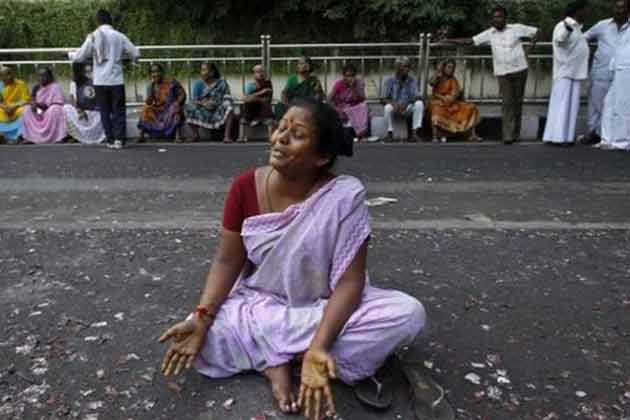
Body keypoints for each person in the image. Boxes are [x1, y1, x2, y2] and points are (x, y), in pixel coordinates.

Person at [158, 98, 426, 419]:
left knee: (408, 315)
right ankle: (290, 358)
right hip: (261, 304)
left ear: (322, 156)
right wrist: (202, 317)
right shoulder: (245, 187)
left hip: (322, 308)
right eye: (281, 127)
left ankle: (290, 356)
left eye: (296, 134)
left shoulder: (344, 197)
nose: (280, 138)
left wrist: (320, 345)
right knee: (205, 336)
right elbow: (228, 262)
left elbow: (350, 283)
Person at [449, 6, 539, 144]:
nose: (496, 20)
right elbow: (471, 41)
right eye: (494, 17)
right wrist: (449, 40)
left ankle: (515, 134)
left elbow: (536, 32)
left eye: (499, 17)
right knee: (507, 102)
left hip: (520, 69)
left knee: (517, 102)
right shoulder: (489, 33)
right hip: (502, 72)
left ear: (505, 18)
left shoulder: (516, 28)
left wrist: (529, 49)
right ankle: (507, 136)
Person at [69, 9, 140, 150]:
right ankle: (119, 140)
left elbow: (80, 56)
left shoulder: (93, 36)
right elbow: (135, 53)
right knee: (119, 110)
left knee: (105, 111)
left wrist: (70, 54)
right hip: (116, 80)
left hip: (100, 81)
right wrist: (127, 58)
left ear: (98, 21)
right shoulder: (119, 36)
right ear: (110, 21)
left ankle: (110, 140)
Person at [580, 0, 630, 144]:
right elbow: (584, 37)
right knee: (596, 103)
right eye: (616, 7)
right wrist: (587, 52)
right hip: (601, 71)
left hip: (623, 74)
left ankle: (611, 135)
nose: (618, 11)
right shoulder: (603, 25)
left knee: (618, 106)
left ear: (628, 10)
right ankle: (592, 133)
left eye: (622, 8)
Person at [543, 0, 591, 145]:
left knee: (570, 106)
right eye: (586, 10)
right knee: (562, 106)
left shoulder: (577, 27)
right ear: (578, 11)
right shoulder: (564, 25)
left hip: (574, 73)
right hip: (565, 73)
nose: (588, 13)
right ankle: (558, 138)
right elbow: (560, 39)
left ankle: (564, 137)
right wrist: (567, 29)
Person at [428, 60, 481, 143]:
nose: (451, 70)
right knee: (436, 108)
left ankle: (472, 135)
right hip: (439, 103)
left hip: (452, 104)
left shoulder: (453, 80)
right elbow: (431, 82)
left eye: (452, 68)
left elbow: (453, 95)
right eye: (449, 67)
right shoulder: (438, 77)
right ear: (444, 68)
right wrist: (438, 71)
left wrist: (446, 98)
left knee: (471, 107)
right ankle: (435, 136)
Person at [184, 62, 235, 143]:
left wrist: (216, 103)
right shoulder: (198, 84)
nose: (202, 73)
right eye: (201, 70)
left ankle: (227, 136)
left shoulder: (222, 83)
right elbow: (195, 100)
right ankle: (195, 135)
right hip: (203, 111)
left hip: (218, 110)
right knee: (188, 106)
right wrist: (204, 104)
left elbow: (227, 97)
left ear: (212, 73)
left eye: (204, 70)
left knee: (229, 106)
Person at [599, 21, 630, 150]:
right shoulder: (625, 26)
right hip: (618, 67)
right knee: (609, 103)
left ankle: (622, 142)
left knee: (623, 106)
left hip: (627, 67)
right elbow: (619, 47)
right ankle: (607, 139)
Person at [138, 63, 187, 142]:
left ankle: (178, 136)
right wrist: (150, 93)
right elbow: (149, 102)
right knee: (146, 109)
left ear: (162, 72)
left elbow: (182, 94)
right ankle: (141, 135)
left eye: (157, 71)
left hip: (170, 108)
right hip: (159, 110)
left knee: (175, 108)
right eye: (153, 72)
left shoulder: (171, 82)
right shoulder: (151, 86)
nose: (155, 74)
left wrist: (177, 102)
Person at [382, 56, 424, 142]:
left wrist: (407, 103)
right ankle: (390, 134)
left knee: (419, 104)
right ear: (397, 68)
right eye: (404, 66)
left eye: (408, 67)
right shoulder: (389, 80)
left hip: (407, 107)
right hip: (395, 106)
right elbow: (383, 99)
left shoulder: (412, 80)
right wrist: (394, 104)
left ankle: (414, 134)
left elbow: (417, 96)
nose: (407, 69)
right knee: (387, 108)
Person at [21, 67, 67, 144]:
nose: (42, 78)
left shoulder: (55, 87)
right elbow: (32, 99)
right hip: (39, 112)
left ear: (50, 77)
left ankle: (57, 137)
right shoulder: (36, 87)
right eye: (40, 76)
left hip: (49, 111)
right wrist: (33, 105)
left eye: (44, 75)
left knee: (55, 109)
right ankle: (30, 138)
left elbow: (57, 103)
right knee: (26, 109)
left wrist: (39, 104)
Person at [63, 63, 106, 144]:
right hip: (79, 109)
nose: (88, 74)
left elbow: (98, 99)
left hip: (93, 109)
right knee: (66, 108)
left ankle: (100, 137)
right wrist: (80, 110)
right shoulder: (75, 82)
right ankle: (74, 136)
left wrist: (88, 109)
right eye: (86, 72)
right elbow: (72, 99)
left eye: (90, 72)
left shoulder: (97, 81)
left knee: (104, 110)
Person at [328, 63, 369, 141]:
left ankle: (359, 133)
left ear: (355, 76)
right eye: (347, 75)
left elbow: (361, 100)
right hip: (341, 109)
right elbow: (329, 99)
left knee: (364, 106)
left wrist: (353, 88)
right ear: (343, 76)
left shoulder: (359, 83)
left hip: (354, 110)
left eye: (352, 75)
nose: (349, 78)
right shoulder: (339, 84)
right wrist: (337, 109)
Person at [276, 56, 325, 120]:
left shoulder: (314, 80)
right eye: (298, 63)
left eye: (301, 63)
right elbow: (284, 94)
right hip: (294, 105)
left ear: (308, 66)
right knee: (279, 107)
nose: (299, 65)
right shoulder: (293, 78)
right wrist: (287, 103)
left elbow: (318, 96)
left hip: (308, 106)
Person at [238, 64, 274, 142]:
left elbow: (267, 99)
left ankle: (271, 137)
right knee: (247, 104)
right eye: (257, 72)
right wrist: (261, 92)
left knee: (266, 105)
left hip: (263, 109)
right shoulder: (251, 86)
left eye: (262, 71)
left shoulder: (268, 83)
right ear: (254, 74)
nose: (260, 73)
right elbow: (245, 98)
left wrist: (253, 98)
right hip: (252, 109)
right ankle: (241, 137)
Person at [0, 66, 30, 144]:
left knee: (26, 109)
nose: (8, 77)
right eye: (4, 77)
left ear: (12, 75)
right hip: (4, 109)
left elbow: (26, 100)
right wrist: (5, 108)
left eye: (9, 75)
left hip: (17, 108)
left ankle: (20, 136)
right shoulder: (1, 84)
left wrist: (14, 106)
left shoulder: (21, 84)